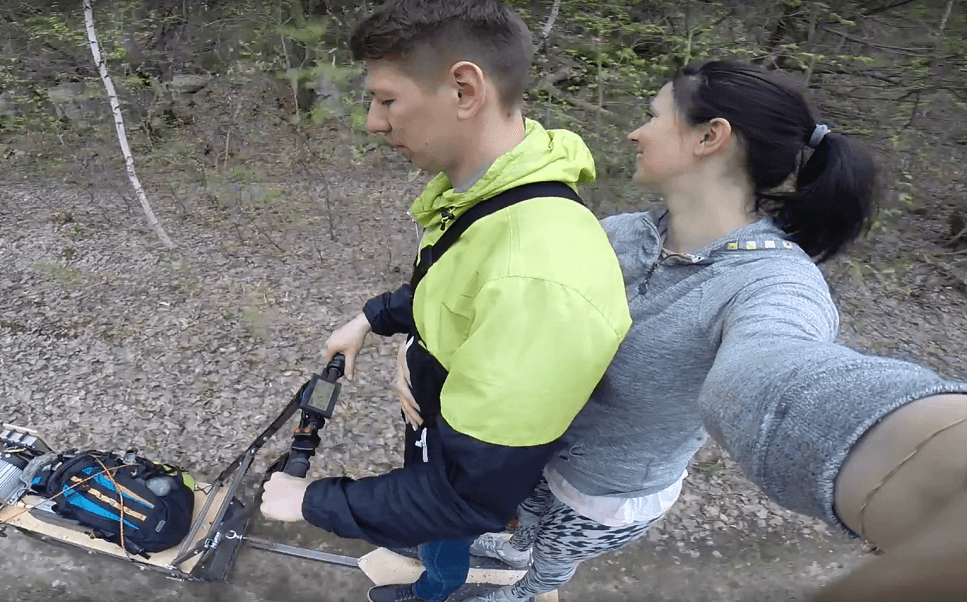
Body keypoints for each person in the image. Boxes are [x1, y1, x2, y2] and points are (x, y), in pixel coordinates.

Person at [376, 59, 967, 602]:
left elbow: (773, 369)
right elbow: (508, 296)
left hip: (602, 496)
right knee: (521, 522)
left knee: (550, 562)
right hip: (530, 451)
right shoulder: (622, 233)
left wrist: (922, 450)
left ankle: (520, 591)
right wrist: (424, 346)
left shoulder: (773, 285)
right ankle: (509, 548)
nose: (636, 133)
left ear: (710, 137)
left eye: (654, 116)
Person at [258, 1, 632, 601]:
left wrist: (311, 500)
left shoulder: (538, 276)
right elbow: (453, 287)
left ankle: (433, 594)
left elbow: (468, 495)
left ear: (464, 90)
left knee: (445, 535)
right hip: (438, 424)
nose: (373, 123)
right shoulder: (494, 197)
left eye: (386, 100)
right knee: (435, 533)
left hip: (454, 460)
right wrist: (372, 319)